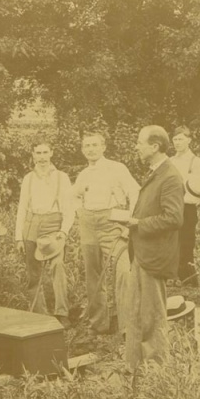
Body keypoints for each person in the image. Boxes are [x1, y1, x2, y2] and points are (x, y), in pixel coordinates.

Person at [123, 125, 184, 369]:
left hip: (154, 256)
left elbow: (174, 219)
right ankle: (135, 367)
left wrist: (138, 223)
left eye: (140, 142)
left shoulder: (170, 176)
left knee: (153, 315)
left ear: (155, 146)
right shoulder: (156, 172)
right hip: (142, 253)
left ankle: (157, 370)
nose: (136, 146)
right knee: (136, 312)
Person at [73, 133, 140, 334]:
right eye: (86, 145)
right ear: (83, 149)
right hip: (88, 223)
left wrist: (130, 219)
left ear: (103, 147)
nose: (90, 149)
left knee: (123, 272)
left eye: (94, 145)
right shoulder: (83, 173)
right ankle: (98, 324)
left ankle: (127, 327)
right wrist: (79, 211)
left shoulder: (117, 168)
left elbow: (135, 191)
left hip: (112, 222)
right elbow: (74, 196)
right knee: (92, 273)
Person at [15, 142, 75, 328]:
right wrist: (18, 236)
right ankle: (40, 314)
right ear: (33, 155)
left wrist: (64, 231)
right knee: (34, 273)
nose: (41, 157)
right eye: (38, 153)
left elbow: (69, 207)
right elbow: (22, 207)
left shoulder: (61, 177)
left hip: (53, 224)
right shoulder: (28, 178)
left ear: (52, 153)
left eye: (45, 153)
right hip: (32, 225)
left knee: (57, 266)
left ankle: (61, 312)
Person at [170, 126, 200, 286]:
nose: (177, 142)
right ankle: (174, 280)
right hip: (171, 208)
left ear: (189, 140)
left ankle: (189, 284)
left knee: (186, 245)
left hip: (187, 209)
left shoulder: (196, 162)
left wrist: (195, 195)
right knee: (172, 244)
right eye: (175, 139)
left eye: (181, 139)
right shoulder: (170, 161)